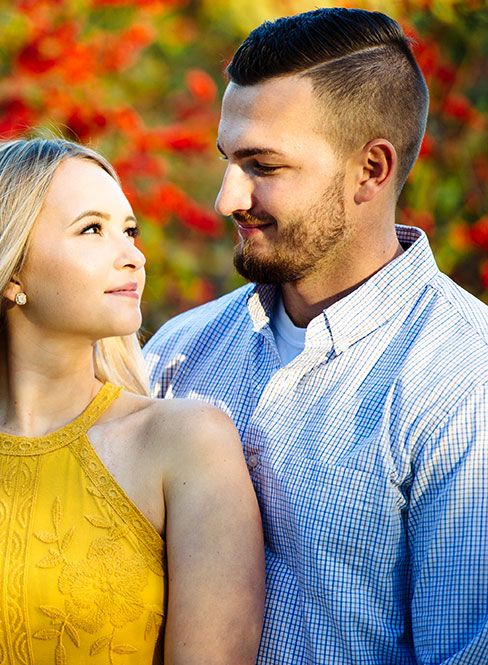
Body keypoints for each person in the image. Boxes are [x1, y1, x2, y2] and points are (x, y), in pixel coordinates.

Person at [0, 137, 264, 664]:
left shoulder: (186, 442)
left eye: (129, 231)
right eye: (93, 230)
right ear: (10, 269)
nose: (133, 255)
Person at [142, 7, 488, 664]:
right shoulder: (176, 357)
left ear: (372, 170)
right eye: (227, 160)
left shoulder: (466, 383)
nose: (226, 198)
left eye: (262, 166)